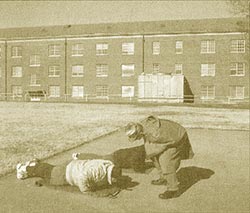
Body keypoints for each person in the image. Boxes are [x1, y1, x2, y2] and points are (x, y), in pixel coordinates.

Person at [125, 115, 194, 199]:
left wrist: (152, 152)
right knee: (153, 155)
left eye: (136, 137)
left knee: (166, 162)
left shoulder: (155, 134)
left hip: (177, 137)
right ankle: (164, 178)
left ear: (140, 132)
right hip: (166, 135)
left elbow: (167, 143)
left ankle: (173, 189)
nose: (136, 139)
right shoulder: (142, 125)